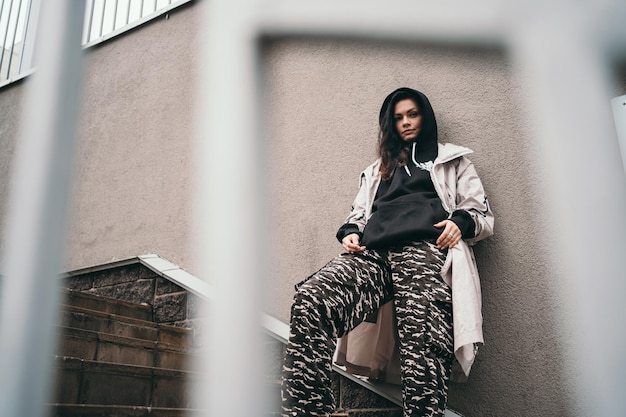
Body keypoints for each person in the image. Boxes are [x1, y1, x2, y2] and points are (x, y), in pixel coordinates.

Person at [281, 87, 494, 417]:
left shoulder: (453, 161)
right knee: (311, 300)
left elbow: (480, 213)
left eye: (413, 114)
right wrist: (351, 233)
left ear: (425, 116)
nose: (406, 122)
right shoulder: (378, 170)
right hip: (374, 253)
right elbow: (358, 215)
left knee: (423, 335)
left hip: (425, 250)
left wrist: (461, 223)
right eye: (398, 118)